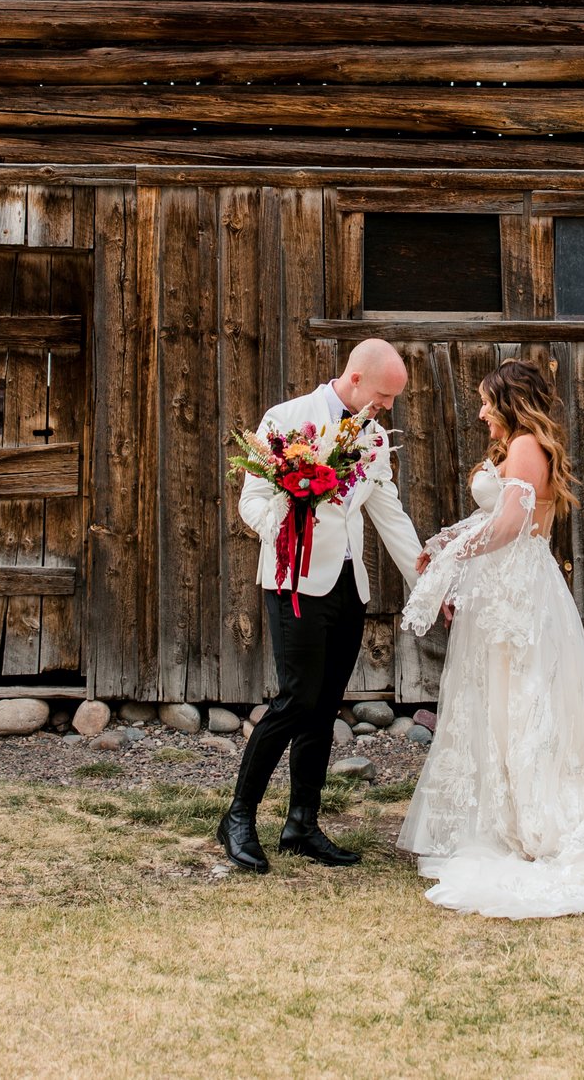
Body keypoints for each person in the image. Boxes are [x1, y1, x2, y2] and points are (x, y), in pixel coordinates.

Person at [396, 358, 584, 918]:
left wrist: (454, 556)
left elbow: (510, 525)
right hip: (505, 587)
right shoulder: (517, 448)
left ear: (508, 402)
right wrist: (448, 538)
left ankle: (539, 819)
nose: (478, 411)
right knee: (501, 702)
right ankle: (510, 814)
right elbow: (493, 517)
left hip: (517, 592)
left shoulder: (526, 445)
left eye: (484, 401)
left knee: (522, 701)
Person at [219, 337, 423, 874]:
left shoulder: (373, 439)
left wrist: (428, 581)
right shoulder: (286, 420)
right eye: (380, 398)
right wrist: (290, 515)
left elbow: (389, 513)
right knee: (295, 700)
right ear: (355, 379)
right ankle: (238, 817)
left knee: (325, 704)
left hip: (347, 586)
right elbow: (251, 502)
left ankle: (301, 824)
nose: (383, 411)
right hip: (294, 580)